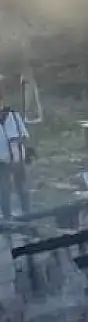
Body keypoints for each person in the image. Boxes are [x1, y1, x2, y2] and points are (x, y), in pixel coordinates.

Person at [0, 83, 31, 221]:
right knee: (4, 191)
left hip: (18, 159)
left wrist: (27, 153)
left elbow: (24, 136)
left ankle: (27, 215)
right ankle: (7, 218)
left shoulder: (13, 115)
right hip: (2, 161)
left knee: (22, 188)